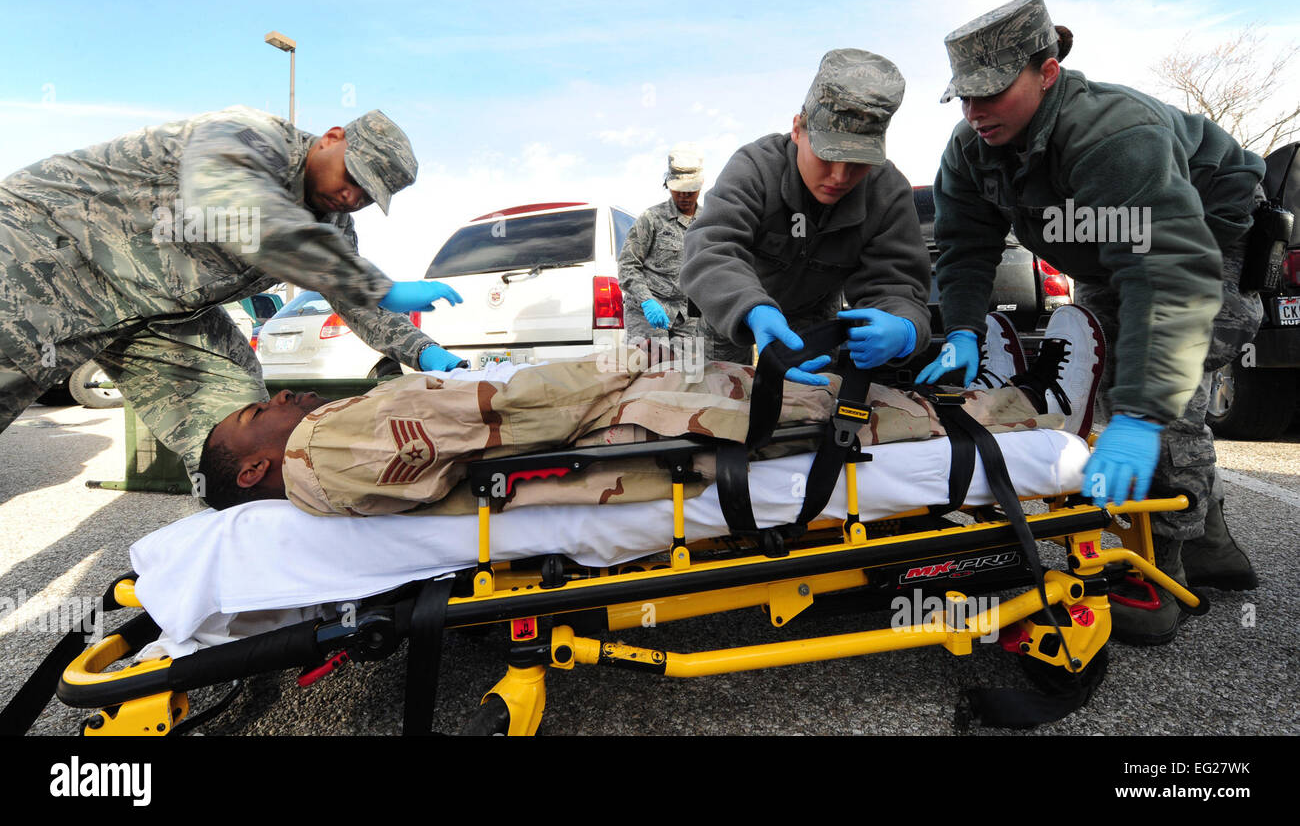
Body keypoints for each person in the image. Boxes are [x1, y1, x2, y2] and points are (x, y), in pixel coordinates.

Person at [917, 0, 1265, 644]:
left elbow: (1168, 277)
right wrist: (962, 328)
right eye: (963, 96)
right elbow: (966, 248)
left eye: (991, 92)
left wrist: (1139, 415)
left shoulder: (1113, 133)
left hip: (1206, 243)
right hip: (1115, 258)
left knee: (1160, 396)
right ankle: (1213, 542)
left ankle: (1158, 577)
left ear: (1047, 72)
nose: (974, 110)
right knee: (1117, 378)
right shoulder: (972, 148)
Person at [196, 316, 1096, 517]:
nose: (278, 397)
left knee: (822, 396)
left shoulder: (325, 444)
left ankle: (995, 401)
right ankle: (1035, 425)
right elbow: (515, 413)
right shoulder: (328, 445)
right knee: (836, 414)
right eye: (254, 413)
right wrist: (633, 356)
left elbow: (482, 412)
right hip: (627, 428)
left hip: (615, 417)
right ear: (251, 469)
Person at [0, 106, 467, 475]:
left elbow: (356, 300)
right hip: (45, 251)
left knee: (246, 423)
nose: (352, 197)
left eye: (368, 196)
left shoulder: (333, 227)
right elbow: (242, 212)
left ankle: (241, 532)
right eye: (354, 178)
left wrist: (423, 352)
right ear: (331, 137)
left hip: (152, 313)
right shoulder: (247, 134)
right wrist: (374, 284)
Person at [680, 49, 931, 385]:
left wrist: (905, 328)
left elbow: (897, 285)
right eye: (827, 157)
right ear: (798, 129)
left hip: (813, 320)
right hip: (731, 309)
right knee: (716, 402)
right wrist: (752, 309)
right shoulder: (756, 167)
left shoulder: (886, 192)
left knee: (810, 409)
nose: (840, 177)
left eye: (858, 162)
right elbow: (711, 246)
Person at [617, 149, 704, 351]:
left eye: (689, 191)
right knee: (647, 372)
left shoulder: (708, 222)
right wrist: (647, 301)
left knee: (688, 375)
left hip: (688, 317)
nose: (684, 196)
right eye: (678, 190)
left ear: (700, 187)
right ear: (668, 185)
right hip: (647, 313)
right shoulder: (651, 219)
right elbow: (627, 266)